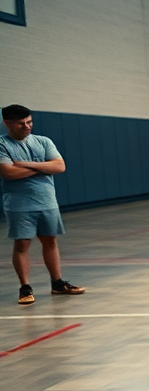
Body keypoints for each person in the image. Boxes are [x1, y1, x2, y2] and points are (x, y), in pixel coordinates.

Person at [0, 104, 85, 305]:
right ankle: (25, 288)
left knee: (50, 241)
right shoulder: (2, 145)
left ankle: (57, 283)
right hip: (19, 204)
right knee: (22, 244)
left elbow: (60, 166)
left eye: (29, 122)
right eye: (21, 123)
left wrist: (27, 164)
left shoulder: (43, 141)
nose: (27, 126)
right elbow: (8, 172)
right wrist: (45, 167)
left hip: (47, 201)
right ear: (8, 123)